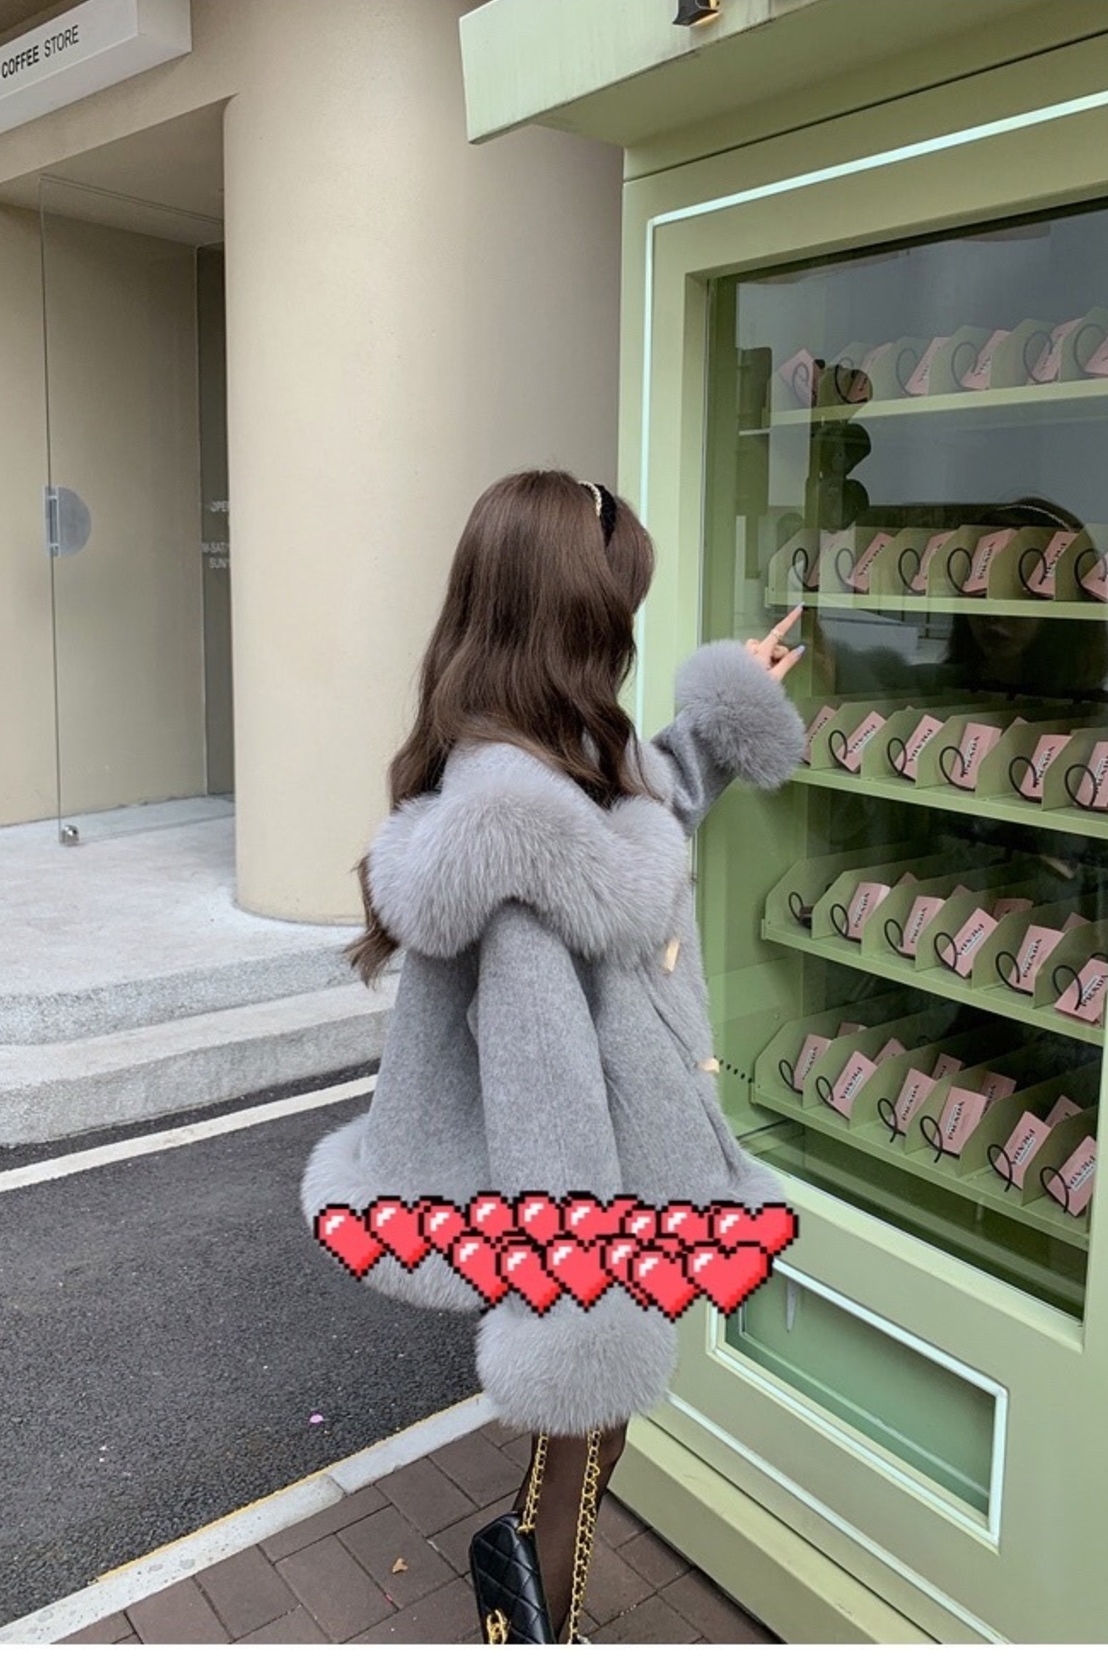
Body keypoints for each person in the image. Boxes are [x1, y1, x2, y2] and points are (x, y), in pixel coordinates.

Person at [300, 468, 807, 1642]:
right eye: (621, 599)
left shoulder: (535, 751)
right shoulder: (515, 817)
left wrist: (717, 718)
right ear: (579, 615)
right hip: (584, 1184)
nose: (630, 622)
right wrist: (578, 1275)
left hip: (602, 1172)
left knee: (585, 1440)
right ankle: (545, 1619)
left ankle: (526, 1567)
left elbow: (631, 807)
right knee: (588, 1430)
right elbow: (539, 1075)